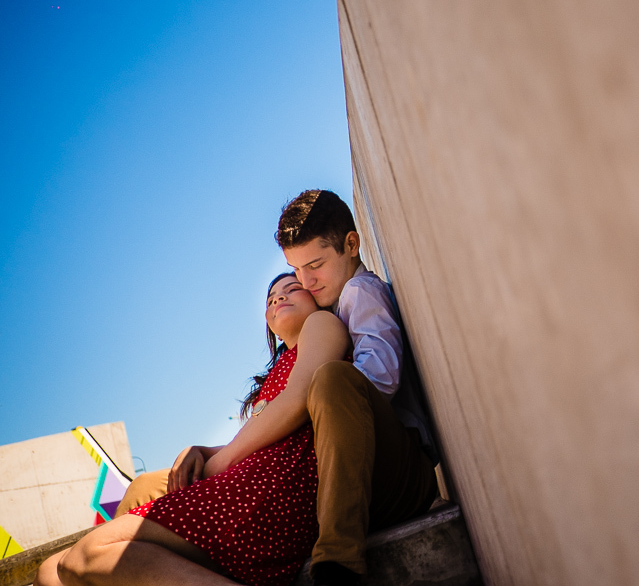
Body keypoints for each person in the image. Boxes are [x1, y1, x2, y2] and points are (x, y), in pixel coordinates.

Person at [114, 190, 439, 586]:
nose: (306, 280)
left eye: (314, 266)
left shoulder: (358, 291)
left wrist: (308, 406)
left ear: (351, 245)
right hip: (360, 471)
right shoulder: (315, 329)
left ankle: (338, 560)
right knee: (148, 488)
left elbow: (381, 378)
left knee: (332, 380)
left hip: (400, 472)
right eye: (296, 270)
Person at [35, 273, 351, 586]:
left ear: (315, 294)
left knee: (88, 555)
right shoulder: (274, 375)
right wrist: (202, 451)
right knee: (50, 571)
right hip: (249, 487)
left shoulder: (321, 324)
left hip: (273, 493)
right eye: (270, 299)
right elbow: (258, 436)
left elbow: (296, 402)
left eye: (292, 288)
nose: (279, 298)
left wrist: (221, 461)